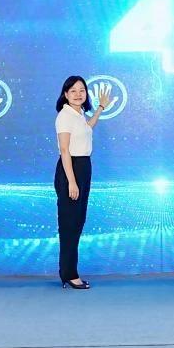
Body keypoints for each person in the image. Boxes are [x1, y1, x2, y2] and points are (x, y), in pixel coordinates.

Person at [53, 76, 112, 289]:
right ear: (65, 94)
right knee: (69, 223)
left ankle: (69, 272)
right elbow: (64, 150)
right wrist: (71, 181)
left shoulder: (79, 114)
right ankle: (69, 274)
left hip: (83, 167)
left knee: (77, 221)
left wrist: (101, 108)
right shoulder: (64, 116)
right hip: (71, 169)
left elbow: (88, 127)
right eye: (73, 91)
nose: (78, 94)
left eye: (82, 90)